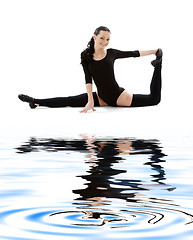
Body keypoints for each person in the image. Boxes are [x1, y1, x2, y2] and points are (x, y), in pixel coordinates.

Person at [18, 26, 162, 113]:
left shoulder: (111, 53)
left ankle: (158, 65)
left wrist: (154, 51)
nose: (105, 42)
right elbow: (88, 79)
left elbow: (134, 53)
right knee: (70, 100)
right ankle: (35, 101)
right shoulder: (85, 55)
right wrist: (90, 100)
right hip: (101, 97)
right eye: (102, 38)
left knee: (154, 99)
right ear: (94, 36)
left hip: (119, 97)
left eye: (107, 39)